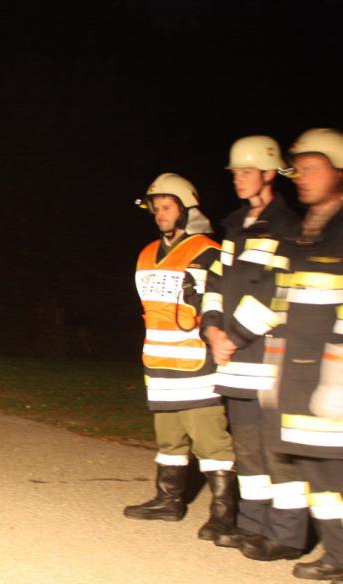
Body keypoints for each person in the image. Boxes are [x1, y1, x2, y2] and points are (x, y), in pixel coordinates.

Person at [199, 136, 306, 556]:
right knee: (246, 447)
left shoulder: (287, 227)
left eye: (246, 172)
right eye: (235, 173)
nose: (238, 180)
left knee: (274, 449)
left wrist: (234, 336)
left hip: (268, 357)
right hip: (234, 358)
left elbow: (275, 290)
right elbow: (215, 282)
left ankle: (286, 535)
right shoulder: (234, 226)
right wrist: (211, 329)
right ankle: (251, 524)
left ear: (268, 174)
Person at [124, 174, 236, 535]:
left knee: (211, 441)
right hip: (158, 363)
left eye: (167, 207)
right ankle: (168, 500)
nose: (160, 214)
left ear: (186, 209)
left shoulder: (209, 251)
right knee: (169, 439)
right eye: (156, 208)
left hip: (197, 363)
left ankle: (224, 514)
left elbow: (222, 307)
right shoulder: (145, 254)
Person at [266, 128, 343, 584]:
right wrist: (274, 366)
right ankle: (337, 554)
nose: (302, 177)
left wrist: (336, 373)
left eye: (313, 168)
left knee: (338, 468)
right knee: (317, 467)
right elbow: (283, 302)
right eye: (299, 169)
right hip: (299, 370)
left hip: (333, 371)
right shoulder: (303, 233)